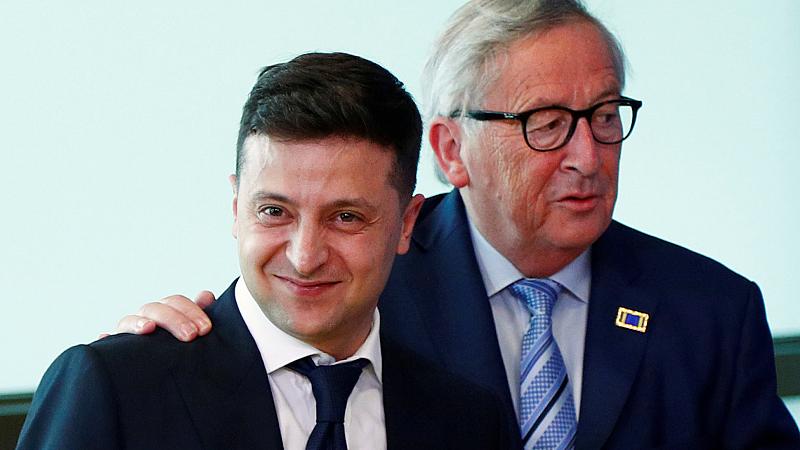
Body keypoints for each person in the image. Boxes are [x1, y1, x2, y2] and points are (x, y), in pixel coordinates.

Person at [111, 1, 800, 449]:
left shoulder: (711, 311)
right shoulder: (354, 278)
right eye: (547, 124)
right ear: (450, 150)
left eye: (604, 116)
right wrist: (164, 351)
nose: (588, 157)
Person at [17, 52, 512, 450]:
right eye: (274, 211)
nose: (305, 257)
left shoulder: (466, 420)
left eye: (346, 217)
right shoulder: (119, 388)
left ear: (406, 224)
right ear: (236, 208)